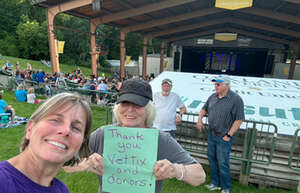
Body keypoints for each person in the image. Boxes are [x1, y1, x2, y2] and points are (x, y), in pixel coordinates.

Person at [64, 79, 206, 193]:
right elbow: (65, 164)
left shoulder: (161, 139)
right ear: (118, 107)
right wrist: (85, 164)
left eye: (137, 105)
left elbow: (200, 176)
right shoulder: (103, 135)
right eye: (125, 103)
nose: (130, 110)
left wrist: (176, 170)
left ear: (148, 109)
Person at [0, 92, 92, 193]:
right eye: (55, 120)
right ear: (30, 128)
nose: (66, 130)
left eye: (76, 128)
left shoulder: (62, 190)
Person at [196, 75, 245, 193]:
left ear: (227, 85)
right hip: (212, 134)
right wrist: (199, 119)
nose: (215, 86)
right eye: (215, 84)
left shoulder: (236, 99)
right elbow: (204, 109)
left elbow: (239, 119)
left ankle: (226, 187)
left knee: (222, 162)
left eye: (218, 84)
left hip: (224, 136)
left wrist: (229, 135)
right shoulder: (212, 96)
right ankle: (215, 183)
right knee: (212, 159)